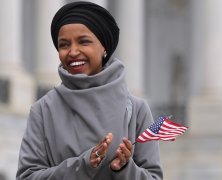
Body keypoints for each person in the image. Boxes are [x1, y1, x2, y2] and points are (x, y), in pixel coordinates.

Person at [16, 1, 163, 180]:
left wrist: (125, 169)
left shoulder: (136, 109)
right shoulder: (43, 110)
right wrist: (83, 165)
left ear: (104, 48)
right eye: (64, 45)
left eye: (84, 42)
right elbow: (27, 176)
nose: (73, 51)